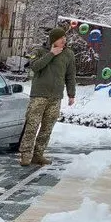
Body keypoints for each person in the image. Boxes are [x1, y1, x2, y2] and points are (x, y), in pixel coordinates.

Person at [20, 26, 77, 166]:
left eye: (65, 38)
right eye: (61, 38)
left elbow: (70, 75)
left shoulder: (68, 54)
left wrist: (71, 94)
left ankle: (38, 154)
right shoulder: (39, 51)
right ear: (53, 40)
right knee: (32, 125)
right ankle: (25, 154)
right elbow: (34, 67)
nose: (64, 40)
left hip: (55, 96)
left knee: (47, 127)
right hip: (39, 95)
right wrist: (51, 54)